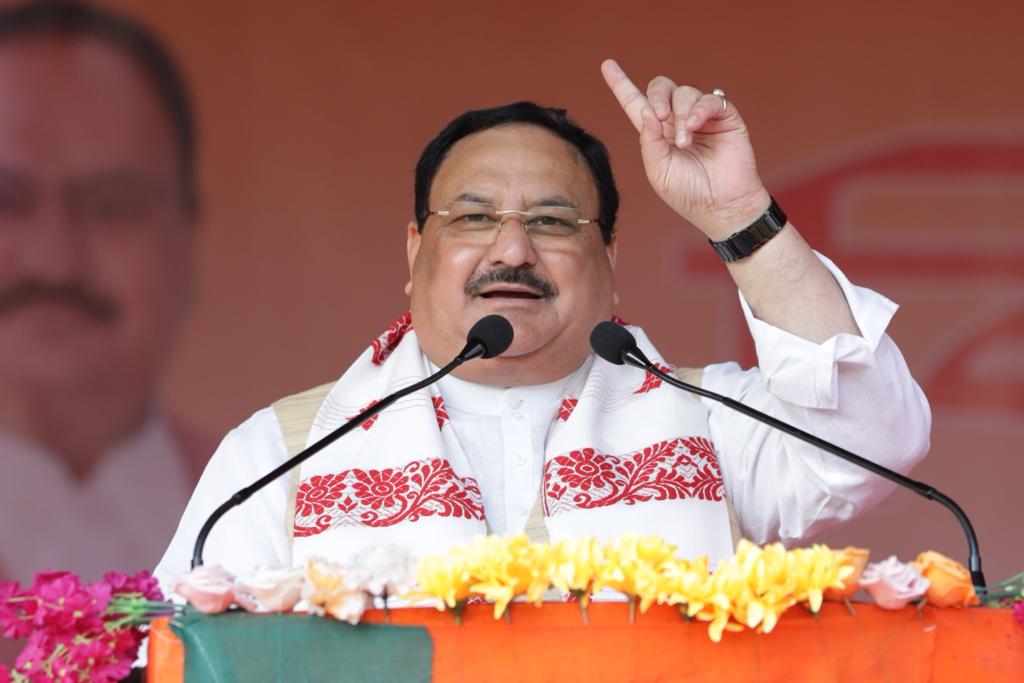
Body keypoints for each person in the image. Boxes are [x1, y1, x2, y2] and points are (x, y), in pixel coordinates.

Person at [155, 61, 930, 589]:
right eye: (474, 216)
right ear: (416, 250)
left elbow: (874, 442)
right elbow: (191, 644)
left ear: (610, 260)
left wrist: (738, 215)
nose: (513, 250)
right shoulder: (283, 449)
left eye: (555, 222)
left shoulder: (709, 422)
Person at [0, 1, 209, 586]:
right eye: (6, 200)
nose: (54, 258)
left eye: (112, 204)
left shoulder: (294, 518)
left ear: (187, 238)